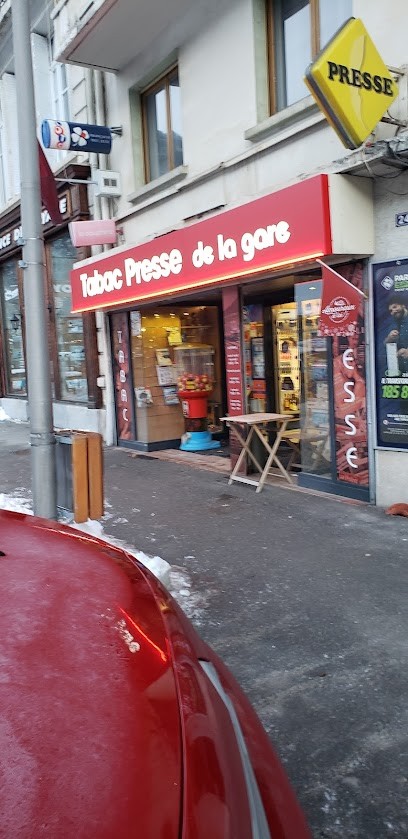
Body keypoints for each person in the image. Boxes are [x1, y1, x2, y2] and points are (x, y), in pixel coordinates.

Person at [384, 295, 408, 373]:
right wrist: (389, 338)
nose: (393, 311)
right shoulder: (393, 322)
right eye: (391, 310)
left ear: (403, 305)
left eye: (395, 307)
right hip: (402, 370)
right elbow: (384, 344)